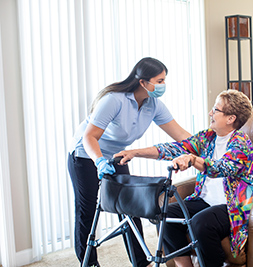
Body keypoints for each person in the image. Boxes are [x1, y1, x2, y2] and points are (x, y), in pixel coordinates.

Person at [114, 89, 253, 267]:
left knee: (200, 223)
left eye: (216, 110)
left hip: (234, 205)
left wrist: (193, 160)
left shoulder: (241, 143)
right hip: (205, 200)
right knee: (166, 215)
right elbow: (174, 149)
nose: (211, 113)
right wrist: (135, 152)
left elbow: (221, 168)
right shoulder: (208, 137)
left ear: (230, 118)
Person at [67, 57, 191, 267]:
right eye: (159, 81)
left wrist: (206, 147)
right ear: (143, 82)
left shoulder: (154, 105)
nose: (163, 85)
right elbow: (89, 137)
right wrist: (98, 161)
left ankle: (141, 262)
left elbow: (182, 136)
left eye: (164, 80)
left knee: (130, 208)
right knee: (87, 210)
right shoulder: (114, 100)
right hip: (86, 155)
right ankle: (88, 263)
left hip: (117, 155)